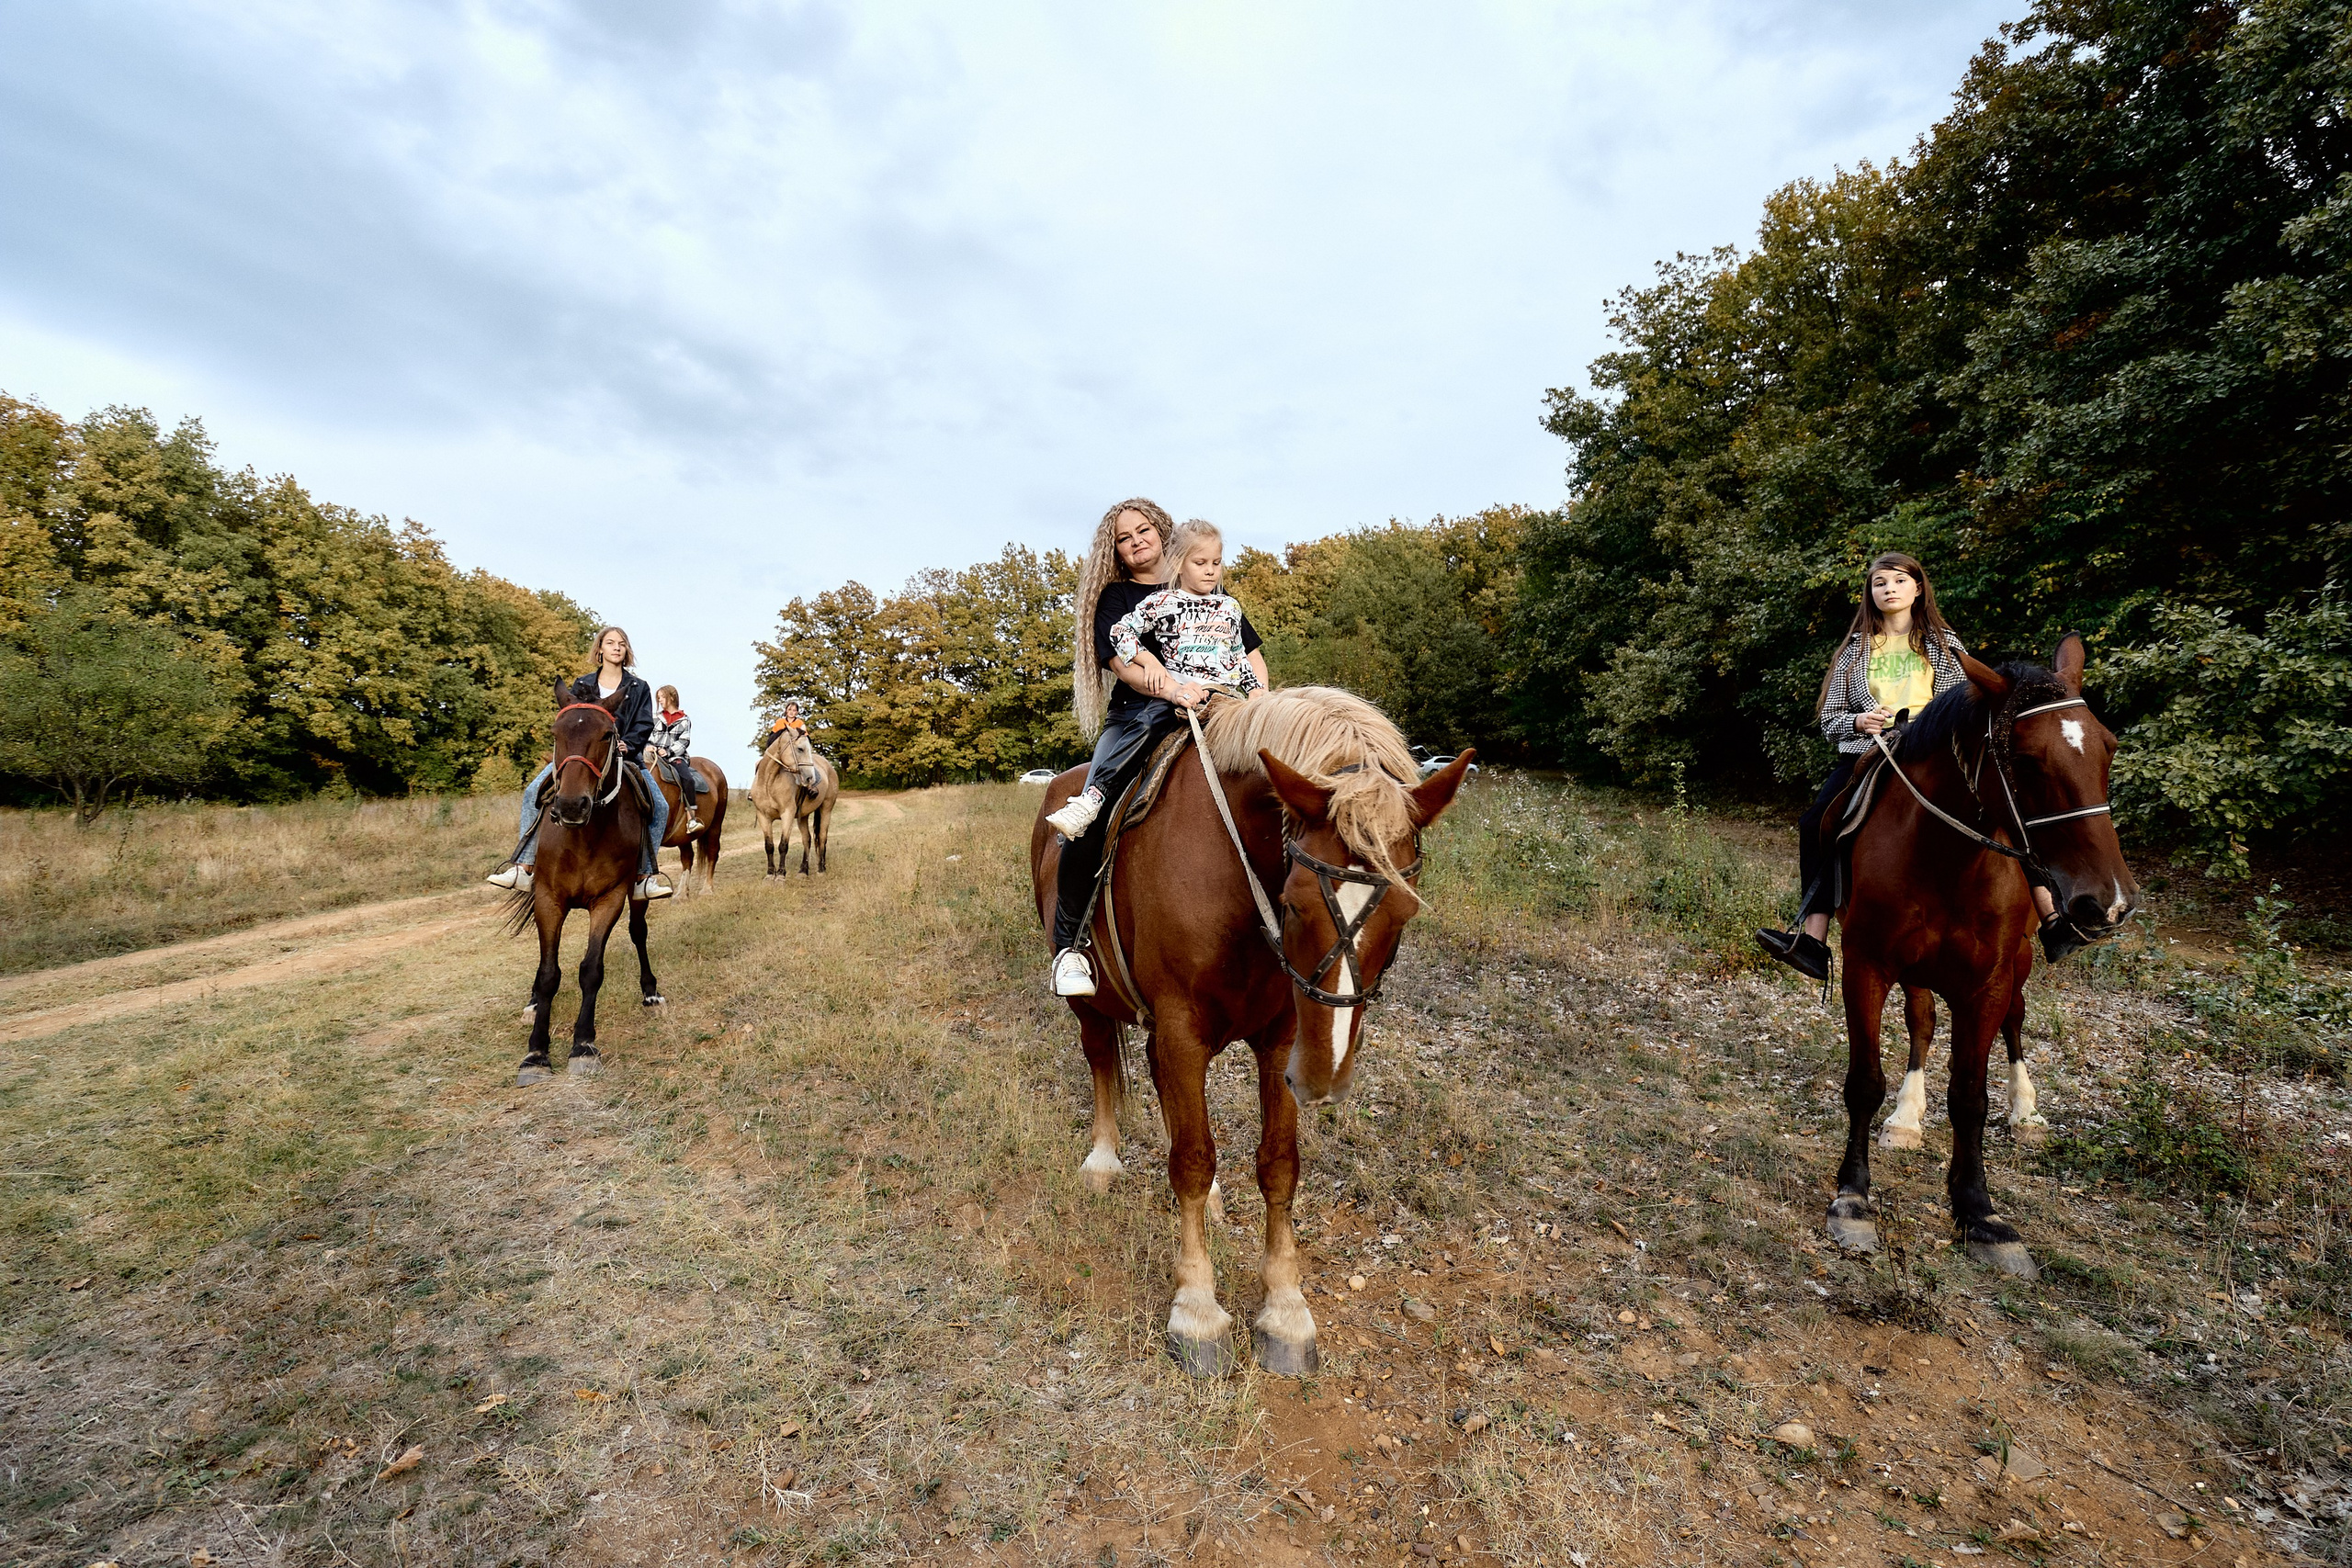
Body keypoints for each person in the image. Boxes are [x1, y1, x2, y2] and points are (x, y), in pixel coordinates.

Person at [1755, 553, 2063, 980]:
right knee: (1815, 822)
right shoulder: (1854, 651)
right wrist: (1858, 720)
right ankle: (1813, 938)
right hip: (1874, 750)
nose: (1889, 590)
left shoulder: (1945, 644)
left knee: (2006, 805)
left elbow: (1973, 703)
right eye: (1879, 584)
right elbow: (1829, 719)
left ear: (1918, 589)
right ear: (1871, 594)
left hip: (1937, 750)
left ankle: (2052, 917)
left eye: (1899, 581)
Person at [1047, 506, 1267, 998]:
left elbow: (1248, 655)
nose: (1136, 541)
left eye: (1143, 530)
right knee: (1094, 821)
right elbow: (1123, 663)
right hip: (1137, 717)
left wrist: (1259, 705)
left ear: (1164, 537)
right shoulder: (1119, 597)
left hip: (1215, 710)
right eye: (1124, 538)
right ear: (1116, 550)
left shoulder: (1210, 591)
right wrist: (1169, 688)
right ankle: (1070, 946)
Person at [487, 625, 673, 899]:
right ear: (600, 649)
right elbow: (571, 721)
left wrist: (628, 744)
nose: (617, 647)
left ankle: (644, 877)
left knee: (661, 806)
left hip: (625, 757)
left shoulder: (639, 687)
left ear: (627, 650)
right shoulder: (583, 684)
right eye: (610, 643)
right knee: (531, 793)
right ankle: (523, 866)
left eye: (622, 643)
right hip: (581, 757)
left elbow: (645, 722)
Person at [650, 684, 705, 834]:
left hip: (675, 757)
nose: (659, 700)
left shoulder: (684, 720)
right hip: (652, 754)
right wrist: (649, 746)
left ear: (671, 697)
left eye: (662, 697)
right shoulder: (655, 717)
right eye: (658, 698)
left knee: (688, 779)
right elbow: (648, 735)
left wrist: (668, 751)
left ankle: (691, 819)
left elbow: (684, 741)